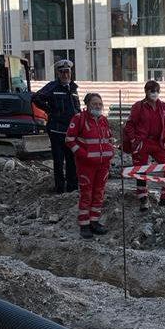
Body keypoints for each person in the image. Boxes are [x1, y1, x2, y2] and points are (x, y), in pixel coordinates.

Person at [65, 93, 114, 239]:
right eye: (95, 104)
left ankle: (94, 222)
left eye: (100, 104)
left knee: (99, 193)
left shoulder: (104, 120)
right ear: (87, 105)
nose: (98, 106)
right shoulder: (79, 119)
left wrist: (110, 151)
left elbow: (109, 138)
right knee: (86, 194)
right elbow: (69, 139)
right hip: (86, 166)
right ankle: (84, 224)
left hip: (103, 165)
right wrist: (82, 154)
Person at [124, 80, 165, 210]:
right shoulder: (139, 106)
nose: (154, 93)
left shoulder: (163, 106)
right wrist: (133, 141)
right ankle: (143, 197)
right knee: (141, 169)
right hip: (142, 142)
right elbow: (129, 124)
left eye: (157, 90)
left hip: (157, 142)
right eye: (151, 90)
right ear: (146, 92)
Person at [33, 59, 80, 193]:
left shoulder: (73, 88)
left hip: (71, 132)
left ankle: (72, 188)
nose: (65, 75)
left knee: (72, 161)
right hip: (56, 131)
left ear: (71, 72)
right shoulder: (52, 87)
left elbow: (76, 109)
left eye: (67, 72)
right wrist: (50, 110)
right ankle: (59, 189)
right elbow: (36, 98)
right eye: (62, 72)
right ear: (58, 73)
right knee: (59, 162)